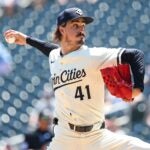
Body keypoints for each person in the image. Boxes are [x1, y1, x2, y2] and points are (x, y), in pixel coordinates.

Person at [4, 7, 150, 150]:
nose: (81, 30)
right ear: (62, 29)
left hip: (96, 136)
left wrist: (137, 89)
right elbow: (49, 49)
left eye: (82, 26)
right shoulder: (55, 57)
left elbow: (135, 55)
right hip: (65, 138)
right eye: (75, 25)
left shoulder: (94, 56)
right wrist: (27, 40)